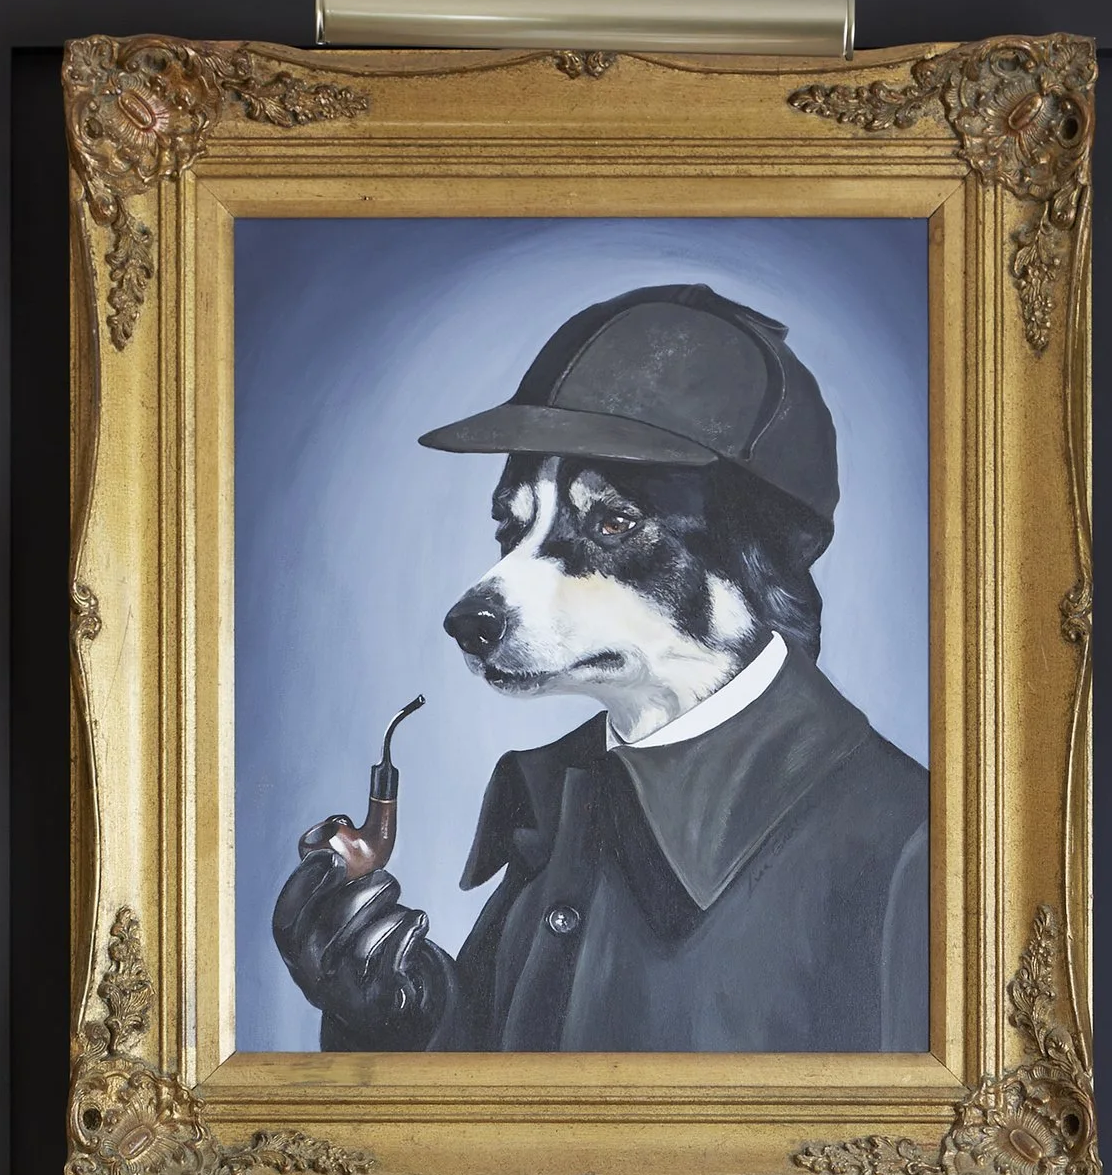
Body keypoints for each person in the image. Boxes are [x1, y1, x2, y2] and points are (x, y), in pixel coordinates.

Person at [272, 284, 928, 1055]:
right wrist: (394, 1011)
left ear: (759, 558)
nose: (491, 594)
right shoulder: (564, 804)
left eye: (611, 521)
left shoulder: (906, 848)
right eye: (516, 528)